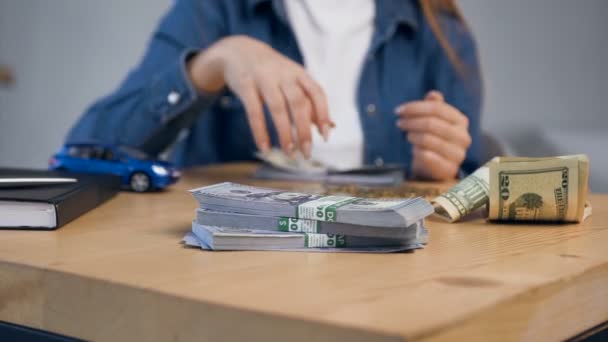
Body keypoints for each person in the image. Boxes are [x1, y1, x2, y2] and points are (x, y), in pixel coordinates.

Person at [66, 0, 482, 180]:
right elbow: (87, 149)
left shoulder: (440, 31)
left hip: (383, 283)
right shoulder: (218, 9)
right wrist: (211, 64)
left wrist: (442, 172)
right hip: (230, 279)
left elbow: (475, 180)